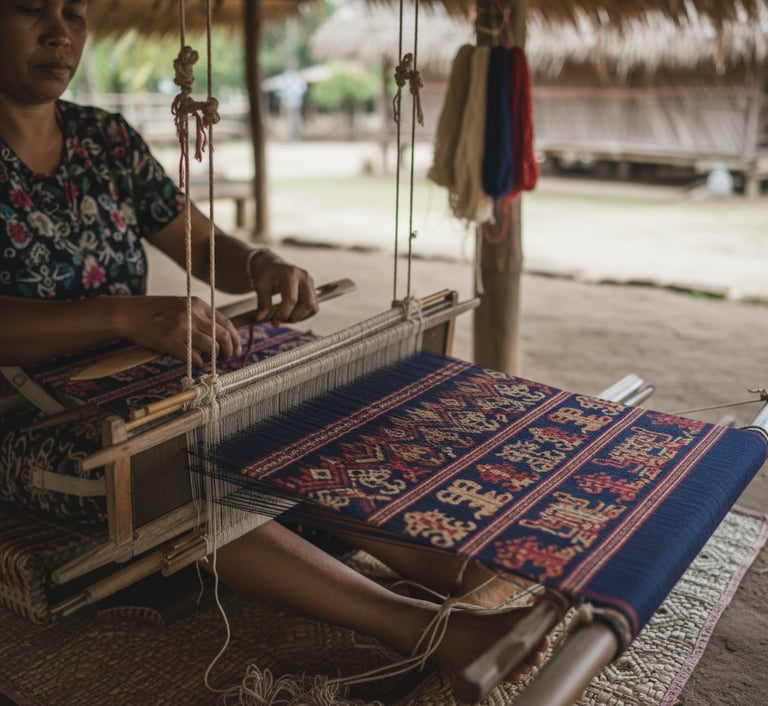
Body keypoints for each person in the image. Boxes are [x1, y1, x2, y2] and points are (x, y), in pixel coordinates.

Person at [0, 0, 548, 696]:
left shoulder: (103, 139)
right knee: (178, 468)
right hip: (25, 416)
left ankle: (457, 572)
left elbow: (197, 241)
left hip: (135, 379)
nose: (59, 32)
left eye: (73, 14)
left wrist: (258, 264)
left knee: (286, 410)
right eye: (29, 10)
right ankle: (431, 630)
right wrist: (121, 315)